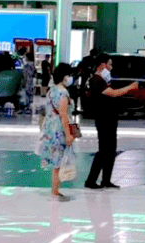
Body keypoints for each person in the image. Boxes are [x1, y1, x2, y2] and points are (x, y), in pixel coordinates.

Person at [83, 53, 138, 189]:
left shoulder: (102, 80)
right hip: (103, 119)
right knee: (104, 150)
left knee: (111, 149)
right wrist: (130, 88)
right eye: (110, 64)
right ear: (103, 65)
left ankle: (106, 180)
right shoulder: (96, 80)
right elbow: (113, 93)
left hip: (110, 118)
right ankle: (91, 180)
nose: (111, 67)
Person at [37, 63, 77, 201]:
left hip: (50, 129)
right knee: (59, 162)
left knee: (55, 162)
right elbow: (64, 116)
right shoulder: (63, 93)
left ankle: (55, 190)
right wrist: (69, 134)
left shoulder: (51, 91)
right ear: (64, 76)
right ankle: (55, 191)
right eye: (69, 75)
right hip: (59, 131)